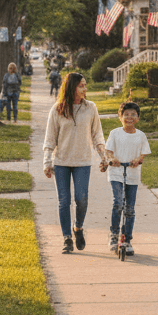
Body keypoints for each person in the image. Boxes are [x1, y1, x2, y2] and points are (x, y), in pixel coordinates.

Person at [42, 72, 106, 254]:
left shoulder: (90, 108)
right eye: (81, 86)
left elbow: (97, 134)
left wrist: (103, 156)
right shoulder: (57, 109)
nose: (85, 89)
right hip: (61, 161)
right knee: (64, 201)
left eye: (85, 85)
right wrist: (47, 161)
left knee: (81, 199)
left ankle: (78, 227)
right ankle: (67, 238)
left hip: (83, 161)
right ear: (72, 87)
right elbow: (50, 139)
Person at [104, 101, 151, 256]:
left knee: (130, 208)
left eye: (133, 114)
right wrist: (112, 159)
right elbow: (108, 151)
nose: (129, 117)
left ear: (138, 118)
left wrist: (138, 160)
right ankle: (114, 234)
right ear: (120, 117)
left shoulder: (141, 135)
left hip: (132, 174)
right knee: (118, 203)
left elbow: (143, 153)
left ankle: (127, 239)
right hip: (116, 173)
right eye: (126, 114)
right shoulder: (115, 133)